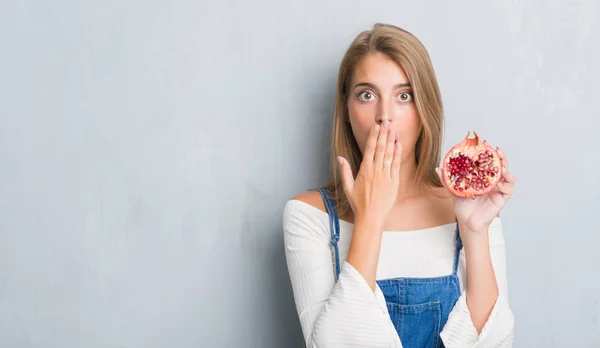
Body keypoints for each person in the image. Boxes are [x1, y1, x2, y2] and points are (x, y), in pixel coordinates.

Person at [283, 23, 516, 348]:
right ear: (347, 111)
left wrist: (474, 232)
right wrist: (370, 218)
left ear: (425, 110)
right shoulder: (308, 216)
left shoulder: (473, 211)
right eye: (367, 95)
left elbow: (496, 342)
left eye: (404, 96)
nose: (384, 115)